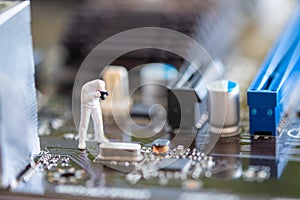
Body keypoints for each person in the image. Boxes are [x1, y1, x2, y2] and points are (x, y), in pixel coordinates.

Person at [78, 79, 109, 150]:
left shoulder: (100, 85)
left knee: (99, 122)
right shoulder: (86, 87)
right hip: (86, 106)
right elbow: (84, 100)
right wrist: (93, 95)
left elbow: (102, 95)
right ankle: (82, 142)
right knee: (84, 125)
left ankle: (100, 137)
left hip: (96, 105)